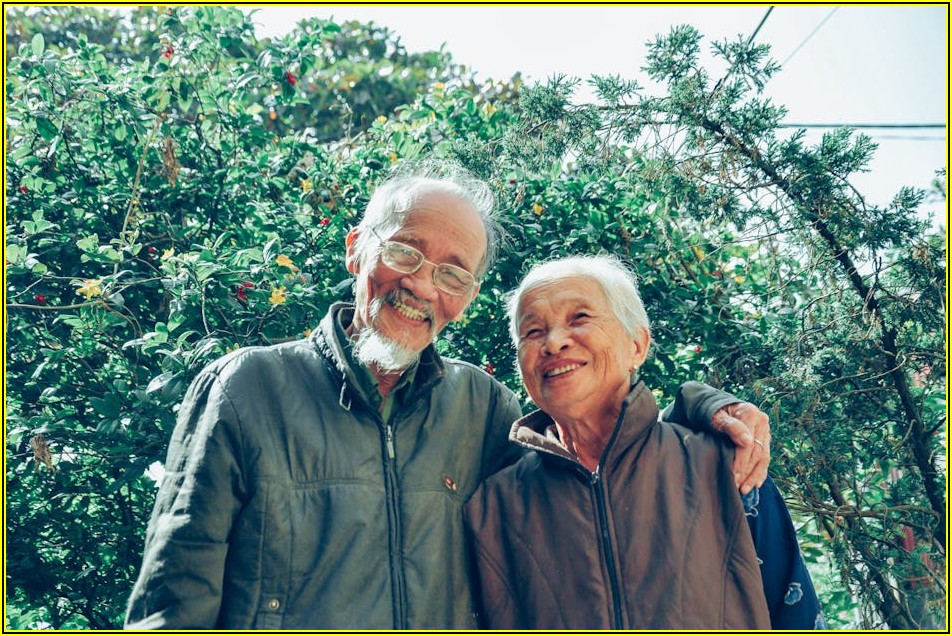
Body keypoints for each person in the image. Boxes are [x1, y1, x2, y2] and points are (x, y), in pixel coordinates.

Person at [124, 161, 772, 630]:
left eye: (453, 272)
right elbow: (172, 604)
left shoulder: (483, 407)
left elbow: (594, 463)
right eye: (404, 251)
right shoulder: (247, 389)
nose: (423, 286)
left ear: (466, 297)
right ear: (357, 251)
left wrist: (700, 408)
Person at [464, 254, 825, 630]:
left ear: (637, 345)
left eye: (580, 318)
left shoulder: (724, 464)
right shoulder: (493, 506)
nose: (554, 343)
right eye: (533, 331)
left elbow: (795, 610)